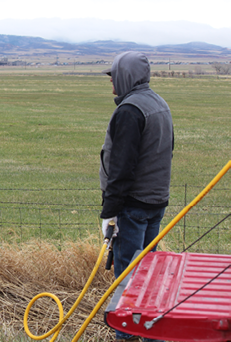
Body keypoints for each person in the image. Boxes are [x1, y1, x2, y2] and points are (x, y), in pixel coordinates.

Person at [100, 51, 173, 342]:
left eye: (114, 76)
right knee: (148, 274)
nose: (112, 83)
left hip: (132, 207)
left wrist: (111, 211)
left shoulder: (129, 111)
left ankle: (126, 334)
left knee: (129, 275)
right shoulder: (159, 103)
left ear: (126, 76)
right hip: (155, 201)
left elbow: (122, 167)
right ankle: (150, 333)